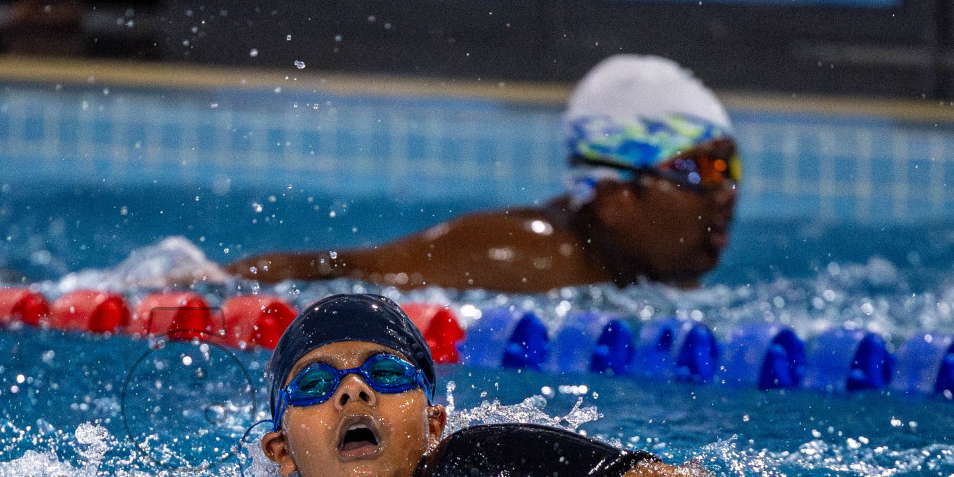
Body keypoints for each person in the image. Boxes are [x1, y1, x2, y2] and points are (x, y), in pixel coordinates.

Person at [256, 295, 954, 477]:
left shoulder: (482, 460)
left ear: (434, 423)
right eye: (316, 385)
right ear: (280, 453)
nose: (355, 391)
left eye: (384, 372)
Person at [228, 56, 740, 294]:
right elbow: (335, 268)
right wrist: (204, 287)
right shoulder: (518, 254)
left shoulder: (660, 272)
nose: (726, 192)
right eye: (700, 169)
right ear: (614, 197)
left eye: (730, 166)